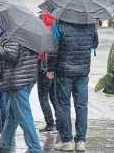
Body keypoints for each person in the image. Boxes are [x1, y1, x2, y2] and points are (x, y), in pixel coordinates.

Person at [47, 20, 99, 151]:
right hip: (83, 71)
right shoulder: (90, 24)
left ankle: (67, 141)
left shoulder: (59, 24)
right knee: (81, 106)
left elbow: (53, 48)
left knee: (63, 106)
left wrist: (50, 68)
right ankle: (80, 141)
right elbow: (95, 44)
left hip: (64, 71)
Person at [0, 39, 42, 152]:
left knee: (23, 115)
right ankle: (5, 143)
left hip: (17, 80)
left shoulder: (14, 35)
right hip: (27, 77)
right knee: (12, 114)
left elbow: (11, 55)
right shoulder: (30, 34)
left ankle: (35, 148)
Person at [37, 12, 57, 133]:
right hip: (54, 66)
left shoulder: (42, 31)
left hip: (43, 66)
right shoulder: (55, 30)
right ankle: (60, 121)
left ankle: (50, 123)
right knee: (53, 95)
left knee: (43, 95)